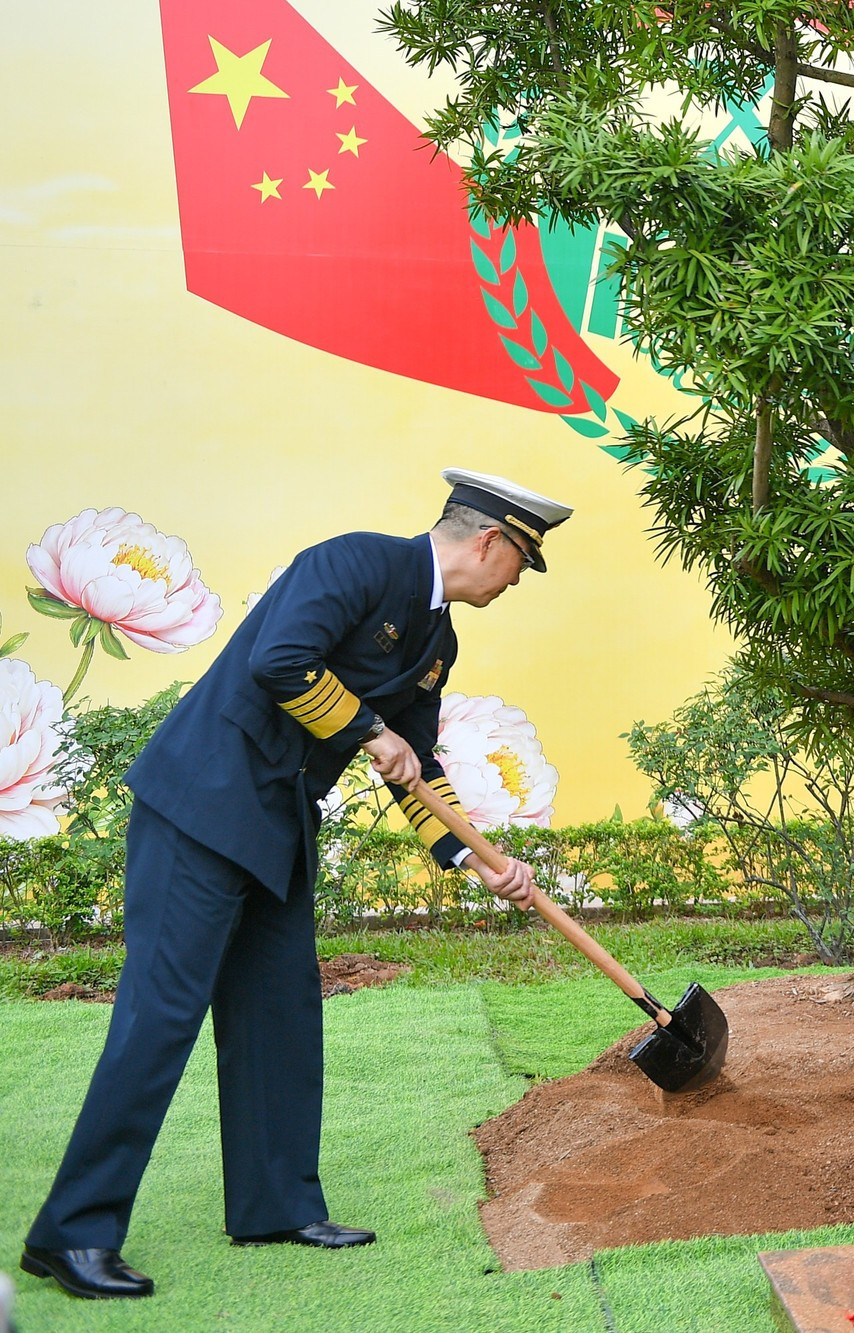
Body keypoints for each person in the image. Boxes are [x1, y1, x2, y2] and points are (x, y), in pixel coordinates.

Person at [20, 470, 569, 1300]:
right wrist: (369, 728)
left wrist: (480, 859)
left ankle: (274, 1205)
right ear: (489, 540)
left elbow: (416, 766)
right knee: (160, 1016)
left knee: (278, 1010)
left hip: (278, 825)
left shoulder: (437, 641)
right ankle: (72, 1232)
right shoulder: (355, 563)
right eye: (523, 560)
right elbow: (279, 660)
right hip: (203, 805)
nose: (519, 579)